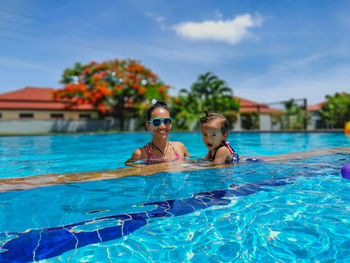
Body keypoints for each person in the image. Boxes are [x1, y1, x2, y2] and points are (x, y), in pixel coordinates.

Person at [125, 101, 189, 165]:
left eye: (166, 121)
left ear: (171, 124)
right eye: (156, 122)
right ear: (148, 125)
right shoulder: (140, 154)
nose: (162, 126)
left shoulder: (180, 147)